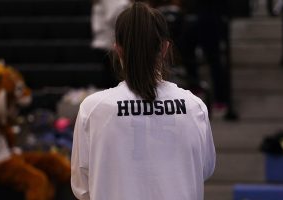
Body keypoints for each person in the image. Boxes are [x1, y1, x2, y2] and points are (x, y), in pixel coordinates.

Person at [71, 2, 216, 200]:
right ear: (164, 48)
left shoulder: (93, 108)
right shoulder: (194, 106)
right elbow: (203, 170)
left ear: (118, 50)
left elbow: (82, 188)